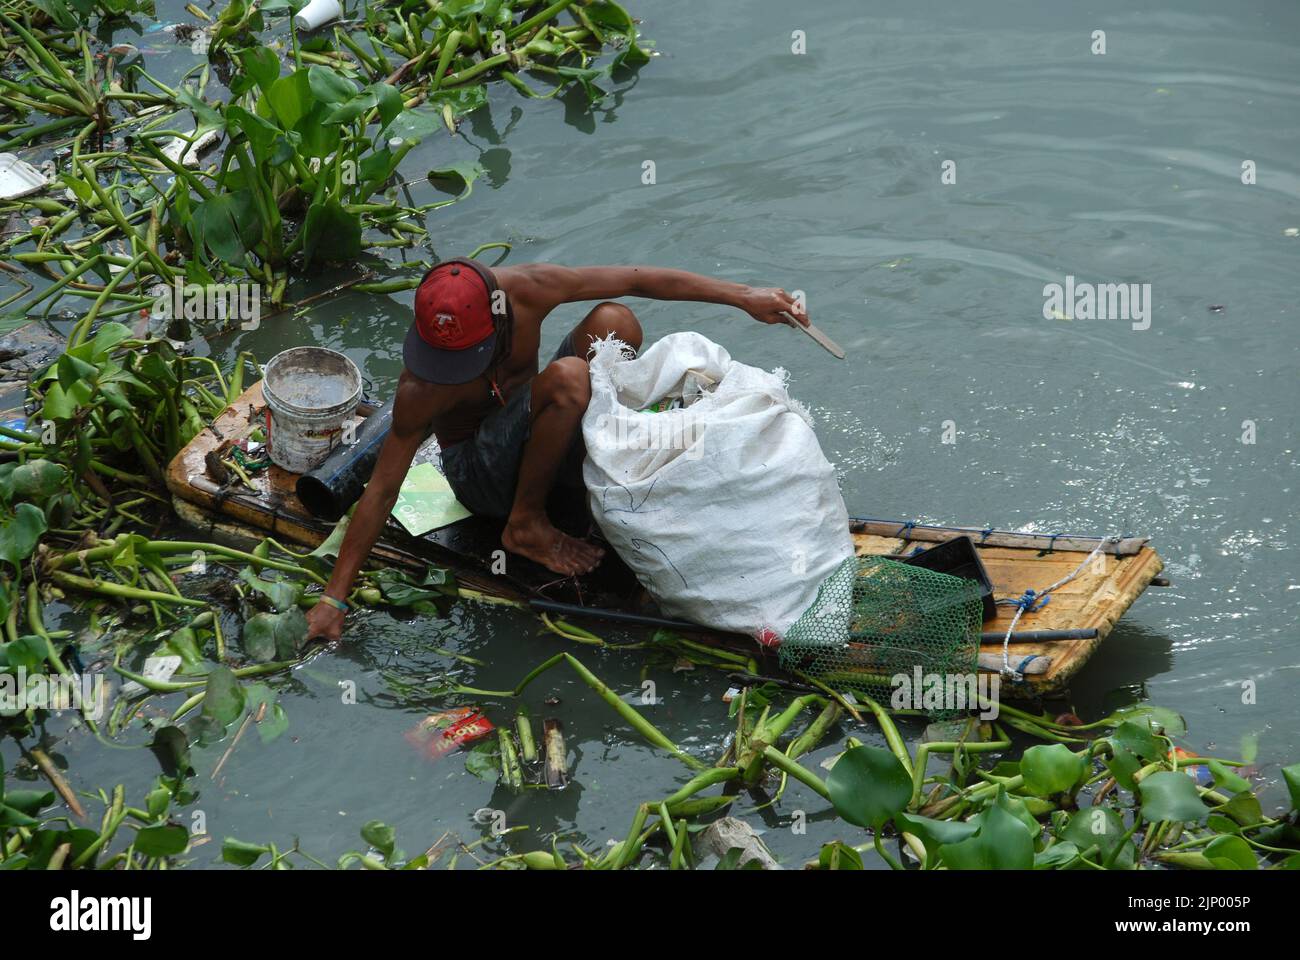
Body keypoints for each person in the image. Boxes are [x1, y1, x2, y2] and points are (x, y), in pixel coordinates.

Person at [305, 260, 810, 643]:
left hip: (539, 436)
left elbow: (638, 279)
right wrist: (335, 598)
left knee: (615, 321)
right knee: (569, 377)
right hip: (482, 477)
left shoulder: (527, 290)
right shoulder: (422, 387)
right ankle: (525, 524)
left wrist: (745, 296)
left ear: (498, 319)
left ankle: (585, 467)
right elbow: (382, 488)